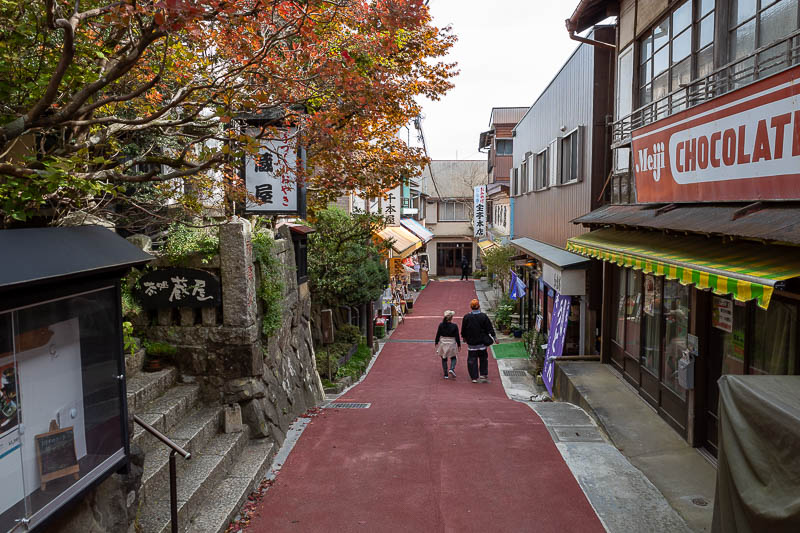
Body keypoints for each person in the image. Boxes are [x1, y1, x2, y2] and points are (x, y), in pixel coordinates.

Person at [461, 299, 496, 383]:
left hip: (472, 342)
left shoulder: (467, 317)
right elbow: (489, 327)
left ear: (471, 307)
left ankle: (474, 377)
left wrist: (464, 337)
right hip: (482, 342)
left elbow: (463, 329)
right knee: (483, 358)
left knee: (472, 359)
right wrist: (494, 337)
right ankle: (483, 374)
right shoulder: (483, 316)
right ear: (479, 306)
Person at [435, 310, 460, 379]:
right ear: (451, 318)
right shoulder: (454, 326)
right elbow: (457, 336)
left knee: (444, 358)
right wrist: (459, 345)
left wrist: (436, 342)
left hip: (443, 343)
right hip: (451, 343)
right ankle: (452, 368)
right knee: (453, 357)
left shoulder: (441, 325)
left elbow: (438, 334)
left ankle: (445, 374)